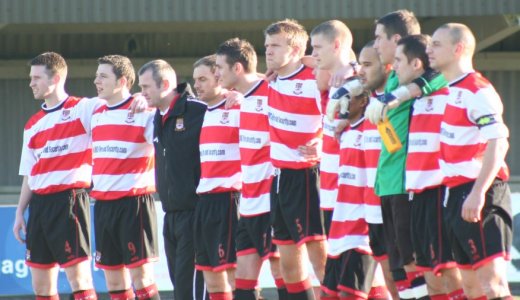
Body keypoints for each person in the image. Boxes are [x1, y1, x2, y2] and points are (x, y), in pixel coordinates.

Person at [366, 10, 447, 299]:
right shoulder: (391, 76)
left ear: (397, 40)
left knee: (417, 264)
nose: (375, 45)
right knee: (397, 265)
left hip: (406, 183)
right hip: (386, 182)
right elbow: (363, 73)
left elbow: (435, 76)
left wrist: (397, 96)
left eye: (378, 38)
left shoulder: (426, 77)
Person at [428, 23, 512, 299]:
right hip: (454, 194)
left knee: (494, 284)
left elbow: (499, 141)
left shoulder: (477, 89)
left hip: (478, 192)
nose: (429, 49)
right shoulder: (449, 89)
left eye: (437, 44)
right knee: (471, 287)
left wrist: (478, 192)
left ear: (458, 48)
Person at [13, 52, 99, 300]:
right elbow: (30, 172)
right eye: (31, 78)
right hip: (39, 207)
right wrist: (20, 212)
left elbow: (115, 102)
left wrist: (136, 98)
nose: (31, 83)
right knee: (41, 287)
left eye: (37, 78)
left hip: (69, 200)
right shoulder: (32, 125)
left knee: (79, 280)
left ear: (57, 78)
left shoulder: (82, 108)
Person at [214, 38, 286, 300]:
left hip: (271, 202)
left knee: (285, 276)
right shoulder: (238, 99)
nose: (216, 73)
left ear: (237, 68)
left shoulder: (272, 90)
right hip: (249, 203)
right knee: (242, 284)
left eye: (220, 67)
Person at [395, 34, 464, 299]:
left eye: (399, 60)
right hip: (415, 193)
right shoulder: (415, 100)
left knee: (448, 269)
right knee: (428, 272)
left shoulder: (446, 89)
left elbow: (438, 77)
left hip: (437, 190)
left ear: (416, 64)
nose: (394, 66)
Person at [264, 19, 326, 299]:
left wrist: (322, 142)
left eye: (275, 45)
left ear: (296, 48)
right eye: (266, 45)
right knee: (289, 265)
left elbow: (337, 118)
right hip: (279, 178)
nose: (268, 51)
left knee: (320, 259)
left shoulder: (315, 79)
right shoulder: (269, 81)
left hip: (307, 174)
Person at [91, 54, 160, 300]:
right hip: (102, 205)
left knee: (142, 277)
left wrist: (143, 98)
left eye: (103, 76)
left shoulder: (145, 111)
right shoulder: (95, 111)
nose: (96, 80)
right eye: (97, 75)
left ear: (121, 81)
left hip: (134, 204)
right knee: (113, 278)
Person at [137, 59, 207, 300]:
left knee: (193, 291)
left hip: (197, 213)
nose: (142, 92)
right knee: (180, 290)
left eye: (146, 87)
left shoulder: (199, 110)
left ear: (165, 84)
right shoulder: (156, 116)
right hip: (171, 215)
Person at [192, 55, 241, 300]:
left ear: (219, 77)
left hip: (229, 200)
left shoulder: (236, 107)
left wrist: (242, 98)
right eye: (195, 80)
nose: (197, 85)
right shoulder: (200, 112)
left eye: (203, 79)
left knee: (235, 276)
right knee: (211, 276)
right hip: (205, 202)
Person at [358, 40, 399, 300]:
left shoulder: (400, 101)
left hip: (397, 200)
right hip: (372, 207)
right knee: (391, 281)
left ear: (388, 67)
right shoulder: (365, 101)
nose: (360, 71)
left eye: (367, 64)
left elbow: (395, 146)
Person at [309, 20, 359, 238]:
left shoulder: (358, 85)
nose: (314, 54)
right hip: (330, 193)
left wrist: (354, 66)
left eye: (318, 48)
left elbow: (383, 70)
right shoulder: (329, 90)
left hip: (351, 196)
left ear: (337, 45)